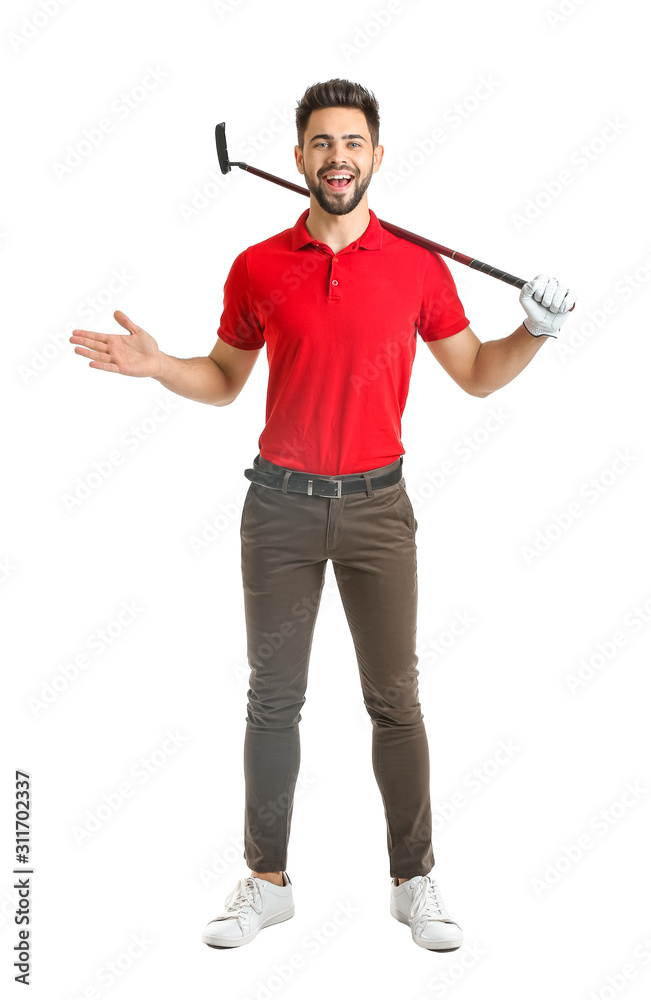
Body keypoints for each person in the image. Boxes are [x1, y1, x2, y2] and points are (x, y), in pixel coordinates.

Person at [69, 78, 576, 953]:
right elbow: (225, 382)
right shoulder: (258, 266)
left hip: (380, 508)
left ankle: (413, 879)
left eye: (351, 143)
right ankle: (266, 884)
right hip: (279, 509)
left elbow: (478, 374)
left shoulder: (418, 266)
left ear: (375, 157)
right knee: (273, 701)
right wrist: (159, 365)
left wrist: (532, 331)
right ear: (300, 156)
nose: (336, 158)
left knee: (396, 701)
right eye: (320, 143)